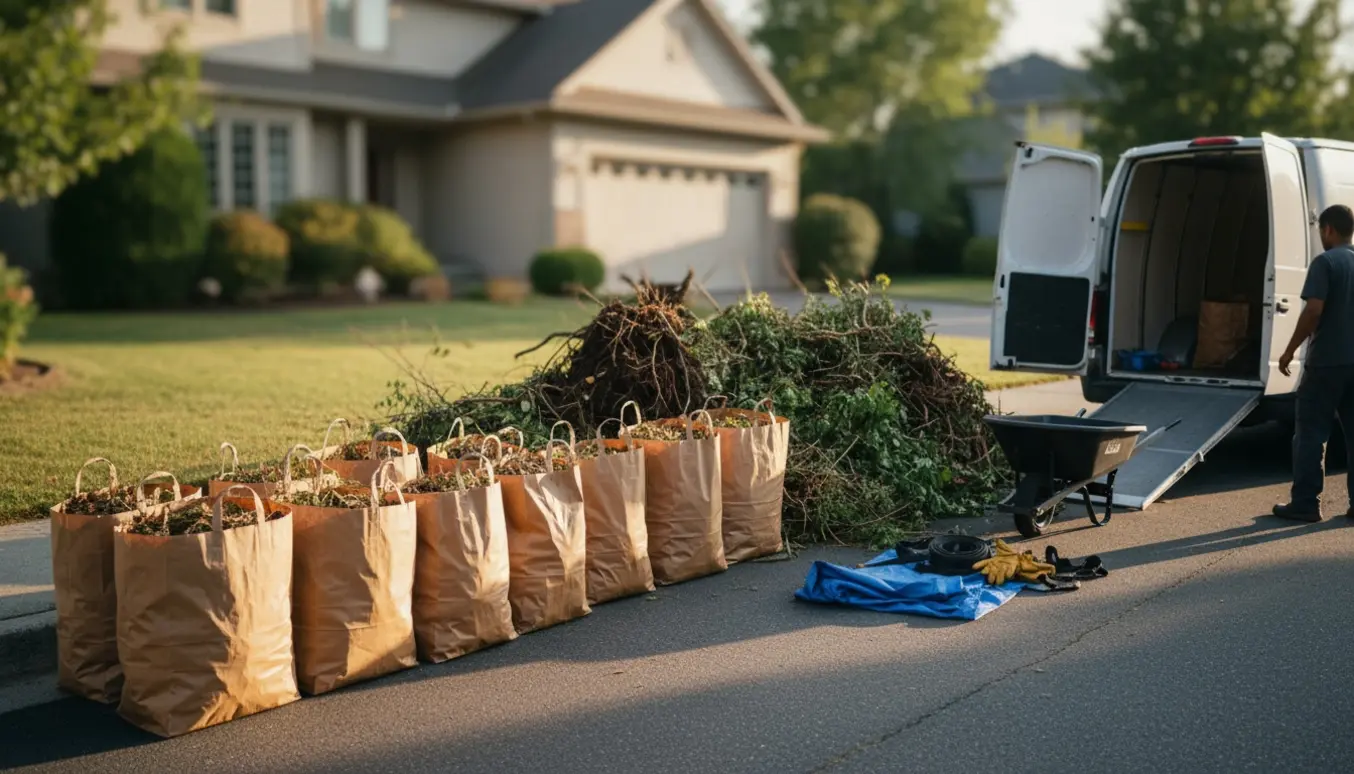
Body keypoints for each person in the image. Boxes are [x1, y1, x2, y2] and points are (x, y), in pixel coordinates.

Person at [1274, 204, 1354, 522]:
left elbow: (1313, 311)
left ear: (1328, 230)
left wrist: (1289, 350)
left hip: (1326, 364)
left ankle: (1307, 503)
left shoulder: (1326, 262)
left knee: (1310, 432)